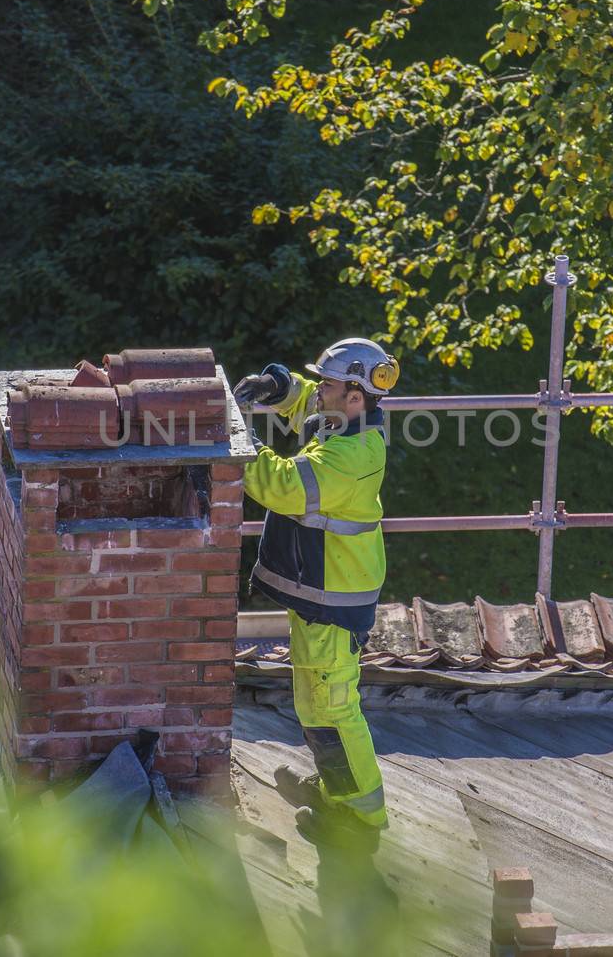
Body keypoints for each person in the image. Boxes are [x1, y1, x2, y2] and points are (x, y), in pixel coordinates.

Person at [233, 338, 399, 849]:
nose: (319, 391)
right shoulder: (347, 420)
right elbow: (305, 400)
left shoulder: (351, 454)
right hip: (325, 591)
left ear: (355, 395)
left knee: (331, 707)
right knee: (316, 702)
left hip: (335, 595)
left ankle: (359, 818)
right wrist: (277, 386)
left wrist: (235, 437)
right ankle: (335, 789)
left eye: (328, 383)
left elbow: (280, 485)